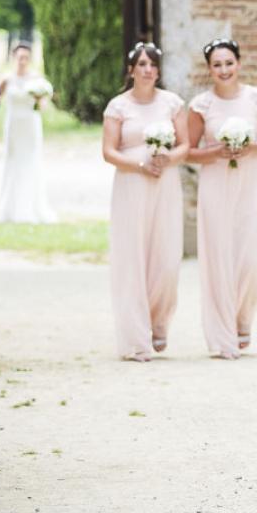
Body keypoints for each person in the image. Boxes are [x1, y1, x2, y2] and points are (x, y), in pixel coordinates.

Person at [186, 37, 257, 359]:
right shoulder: (202, 105)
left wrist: (251, 147)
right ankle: (221, 332)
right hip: (215, 185)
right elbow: (190, 151)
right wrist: (218, 151)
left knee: (247, 256)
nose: (224, 70)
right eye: (217, 65)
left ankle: (243, 318)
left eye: (229, 63)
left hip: (250, 184)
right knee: (218, 256)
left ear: (238, 64)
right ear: (209, 69)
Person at [101, 42, 189, 362]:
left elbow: (186, 145)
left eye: (152, 64)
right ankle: (136, 336)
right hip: (131, 185)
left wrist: (168, 159)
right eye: (141, 64)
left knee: (165, 259)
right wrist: (139, 165)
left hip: (164, 185)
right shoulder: (118, 107)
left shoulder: (173, 104)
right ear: (131, 70)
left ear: (158, 71)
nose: (147, 69)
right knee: (132, 257)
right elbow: (109, 151)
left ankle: (159, 320)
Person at [0, 42, 57, 224]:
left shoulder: (36, 80)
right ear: (14, 58)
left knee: (31, 160)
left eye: (26, 57)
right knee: (12, 160)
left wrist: (39, 100)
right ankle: (9, 205)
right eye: (20, 57)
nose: (23, 61)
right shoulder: (6, 79)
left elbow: (42, 105)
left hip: (30, 124)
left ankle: (30, 205)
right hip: (13, 125)